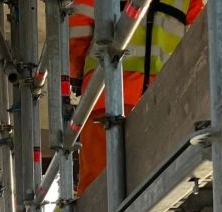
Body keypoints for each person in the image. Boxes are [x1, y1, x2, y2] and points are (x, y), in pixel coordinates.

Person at [69, 0, 205, 193]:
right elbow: (199, 38)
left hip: (105, 93)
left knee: (98, 190)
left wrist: (75, 74)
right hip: (164, 99)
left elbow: (77, 30)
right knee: (160, 186)